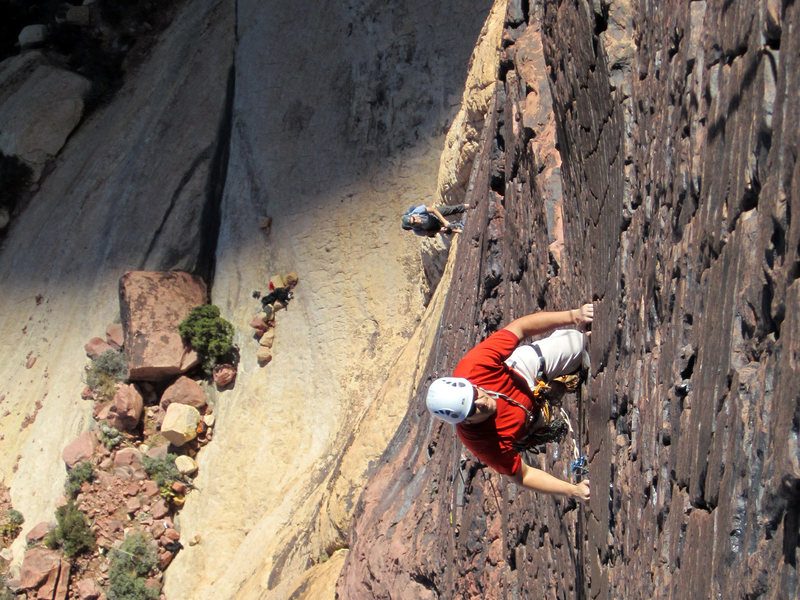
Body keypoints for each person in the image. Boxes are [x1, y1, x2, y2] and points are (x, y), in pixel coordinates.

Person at [425, 304, 594, 502]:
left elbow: (520, 327)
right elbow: (523, 475)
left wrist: (574, 315)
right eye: (472, 410)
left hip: (523, 372)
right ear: (465, 421)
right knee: (541, 421)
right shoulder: (482, 442)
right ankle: (555, 389)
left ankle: (561, 349)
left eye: (475, 394)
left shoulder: (474, 366)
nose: (482, 403)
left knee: (580, 343)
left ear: (470, 384)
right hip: (528, 422)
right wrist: (572, 490)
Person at [401, 203, 469, 236]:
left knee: (452, 209)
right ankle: (462, 231)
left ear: (412, 215)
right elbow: (429, 233)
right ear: (412, 226)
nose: (416, 221)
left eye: (414, 218)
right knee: (448, 230)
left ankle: (469, 206)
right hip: (433, 226)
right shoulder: (417, 231)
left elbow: (433, 210)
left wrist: (444, 221)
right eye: (414, 223)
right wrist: (440, 229)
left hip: (434, 215)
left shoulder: (417, 211)